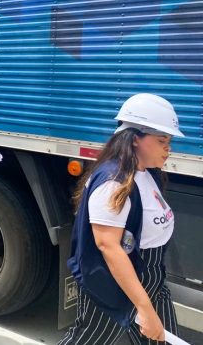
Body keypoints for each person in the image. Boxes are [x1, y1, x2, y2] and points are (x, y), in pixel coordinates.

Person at [59, 93, 184, 345]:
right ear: (135, 138)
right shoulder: (114, 182)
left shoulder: (148, 174)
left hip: (151, 277)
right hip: (113, 284)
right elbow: (109, 246)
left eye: (169, 141)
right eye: (162, 140)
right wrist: (144, 308)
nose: (168, 148)